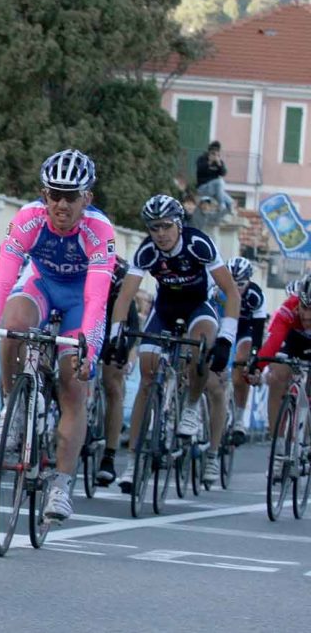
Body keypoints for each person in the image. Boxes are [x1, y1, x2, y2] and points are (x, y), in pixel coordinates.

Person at [0, 149, 116, 523]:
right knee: (13, 324)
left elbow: (96, 298)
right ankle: (11, 408)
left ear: (87, 199)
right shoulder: (29, 219)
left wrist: (87, 353)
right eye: (54, 194)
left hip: (81, 300)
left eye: (71, 196)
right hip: (41, 286)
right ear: (43, 194)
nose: (61, 204)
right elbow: (0, 283)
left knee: (72, 385)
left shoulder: (99, 231)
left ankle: (61, 483)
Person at [107, 194, 240, 491]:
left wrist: (227, 339)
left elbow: (231, 292)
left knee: (201, 346)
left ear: (179, 224)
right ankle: (133, 462)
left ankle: (191, 405)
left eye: (166, 226)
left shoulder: (198, 243)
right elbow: (125, 297)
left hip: (197, 307)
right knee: (146, 376)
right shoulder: (147, 251)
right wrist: (116, 335)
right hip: (164, 310)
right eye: (153, 228)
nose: (160, 234)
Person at [249, 275, 311, 446]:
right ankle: (278, 443)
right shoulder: (289, 308)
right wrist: (257, 367)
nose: (306, 316)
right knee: (276, 376)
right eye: (304, 307)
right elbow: (273, 342)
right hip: (293, 341)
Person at [95, 256, 140, 485]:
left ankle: (109, 456)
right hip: (86, 316)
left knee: (112, 382)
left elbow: (125, 315)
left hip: (117, 319)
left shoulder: (120, 269)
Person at [217, 256, 267, 444]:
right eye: (232, 282)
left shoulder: (255, 296)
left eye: (241, 284)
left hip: (245, 330)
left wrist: (254, 359)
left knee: (241, 364)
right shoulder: (216, 291)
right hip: (223, 327)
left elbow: (258, 332)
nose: (236, 288)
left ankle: (239, 419)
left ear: (249, 281)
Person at [195, 140, 235, 216]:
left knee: (221, 185)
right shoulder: (202, 159)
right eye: (213, 152)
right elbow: (200, 170)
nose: (214, 155)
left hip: (214, 189)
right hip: (202, 188)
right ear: (209, 152)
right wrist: (209, 162)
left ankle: (230, 207)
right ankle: (221, 204)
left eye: (216, 153)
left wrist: (219, 164)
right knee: (219, 182)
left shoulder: (219, 162)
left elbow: (223, 173)